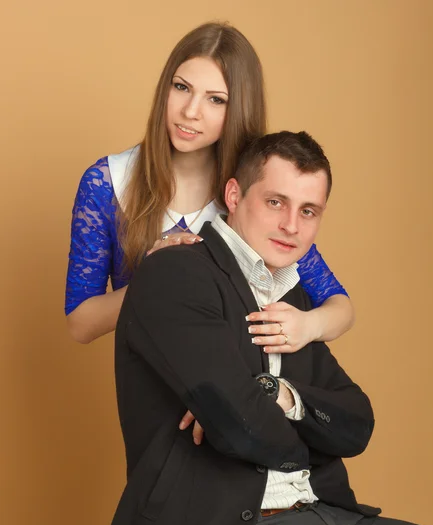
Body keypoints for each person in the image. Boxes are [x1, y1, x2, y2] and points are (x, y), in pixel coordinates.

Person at [84, 131, 433, 525]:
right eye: (275, 202)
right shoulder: (176, 274)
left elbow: (358, 423)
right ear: (234, 195)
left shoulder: (293, 301)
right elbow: (241, 428)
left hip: (334, 518)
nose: (292, 225)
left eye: (308, 211)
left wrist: (276, 395)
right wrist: (288, 423)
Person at [65, 21, 353, 348]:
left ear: (239, 108)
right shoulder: (108, 182)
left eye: (216, 100)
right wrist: (155, 277)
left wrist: (308, 324)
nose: (190, 111)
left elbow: (340, 306)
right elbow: (80, 324)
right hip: (151, 389)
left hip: (245, 388)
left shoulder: (250, 189)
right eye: (181, 87)